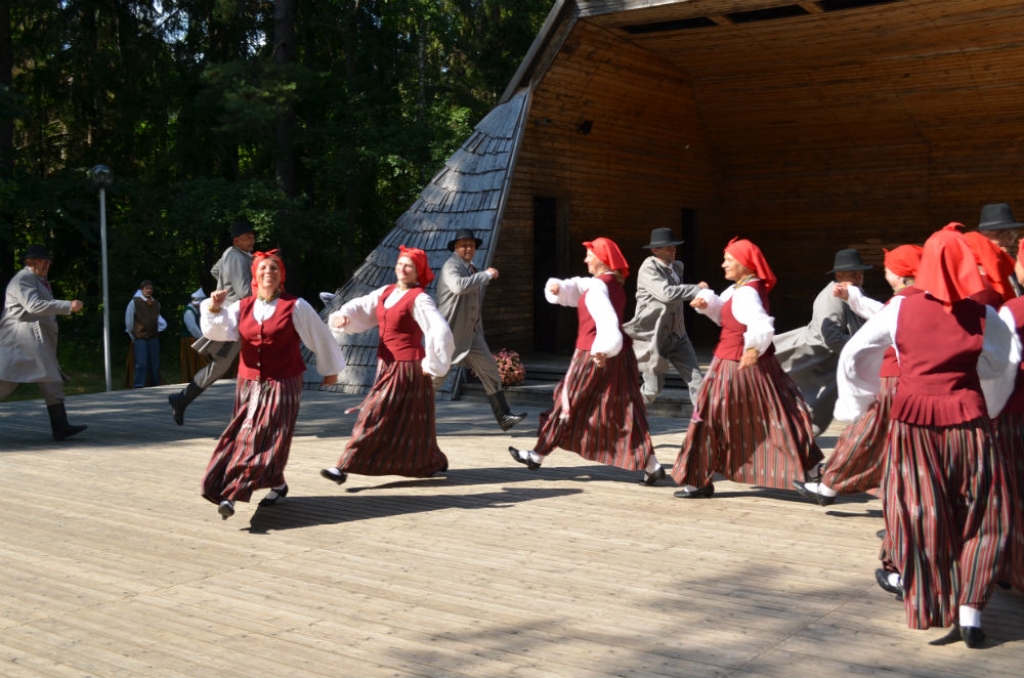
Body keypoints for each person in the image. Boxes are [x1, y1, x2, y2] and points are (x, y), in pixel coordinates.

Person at [833, 225, 1018, 648]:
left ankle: (931, 599)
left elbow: (855, 353)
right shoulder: (986, 314)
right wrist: (982, 400)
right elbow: (1003, 365)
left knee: (919, 511)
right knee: (986, 513)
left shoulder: (899, 310)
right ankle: (971, 611)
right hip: (969, 422)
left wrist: (855, 405)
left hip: (914, 424)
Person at [671, 237, 823, 498]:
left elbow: (761, 325)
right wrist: (707, 303)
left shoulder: (748, 292)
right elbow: (728, 318)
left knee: (708, 417)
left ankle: (697, 479)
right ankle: (811, 470)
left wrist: (752, 349)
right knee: (780, 415)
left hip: (734, 364)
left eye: (729, 260)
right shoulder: (744, 288)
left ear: (745, 263)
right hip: (753, 363)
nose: (723, 265)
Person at [200, 249, 346, 520]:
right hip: (249, 383)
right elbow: (218, 331)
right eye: (263, 268)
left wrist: (330, 371)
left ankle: (231, 493)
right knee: (243, 434)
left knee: (266, 438)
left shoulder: (296, 305)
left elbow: (321, 337)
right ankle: (277, 484)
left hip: (283, 381)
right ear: (255, 275)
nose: (268, 272)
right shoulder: (242, 307)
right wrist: (214, 308)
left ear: (281, 277)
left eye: (274, 269)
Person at [508, 237, 667, 485]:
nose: (585, 259)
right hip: (621, 354)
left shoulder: (599, 288)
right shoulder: (611, 283)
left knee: (567, 401)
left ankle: (537, 454)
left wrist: (601, 349)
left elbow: (606, 321)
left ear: (602, 259)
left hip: (594, 352)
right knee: (626, 408)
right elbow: (582, 289)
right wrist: (560, 288)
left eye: (589, 255)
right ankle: (652, 465)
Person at [793, 244, 923, 506]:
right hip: (873, 376)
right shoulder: (922, 298)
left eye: (887, 270)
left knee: (861, 434)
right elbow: (865, 323)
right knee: (864, 433)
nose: (861, 277)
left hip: (890, 382)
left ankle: (830, 486)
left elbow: (864, 337)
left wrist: (854, 381)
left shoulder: (901, 302)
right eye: (855, 273)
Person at [321, 246, 453, 483]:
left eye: (409, 266)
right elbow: (362, 306)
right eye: (400, 264)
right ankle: (431, 461)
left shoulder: (419, 298)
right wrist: (344, 317)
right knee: (413, 420)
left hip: (407, 368)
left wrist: (433, 363)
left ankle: (343, 466)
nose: (403, 269)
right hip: (386, 365)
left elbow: (439, 329)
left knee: (372, 413)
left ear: (417, 272)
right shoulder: (386, 292)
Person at [774, 248, 873, 435]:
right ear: (839, 274)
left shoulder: (855, 293)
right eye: (854, 274)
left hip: (831, 363)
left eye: (860, 273)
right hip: (815, 359)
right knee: (808, 406)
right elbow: (832, 337)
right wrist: (863, 349)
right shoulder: (832, 297)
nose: (859, 277)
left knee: (815, 408)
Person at [435, 227, 525, 431]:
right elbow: (459, 287)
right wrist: (486, 275)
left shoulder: (470, 267)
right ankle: (410, 414)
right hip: (450, 334)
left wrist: (479, 333)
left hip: (471, 335)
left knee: (490, 370)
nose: (468, 248)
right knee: (435, 378)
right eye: (464, 245)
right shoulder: (451, 265)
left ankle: (504, 416)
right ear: (455, 248)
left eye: (471, 245)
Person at [169, 220, 255, 425]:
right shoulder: (236, 257)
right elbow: (245, 291)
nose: (252, 240)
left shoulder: (232, 254)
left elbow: (215, 271)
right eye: (247, 237)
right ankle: (182, 398)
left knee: (224, 365)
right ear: (236, 240)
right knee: (224, 364)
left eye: (252, 236)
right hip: (238, 317)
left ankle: (182, 399)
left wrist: (225, 286)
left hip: (237, 315)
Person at [0, 244, 88, 440]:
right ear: (30, 262)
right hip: (19, 342)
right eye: (43, 261)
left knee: (52, 380)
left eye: (48, 261)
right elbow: (33, 306)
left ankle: (60, 425)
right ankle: (60, 425)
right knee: (5, 385)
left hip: (33, 342)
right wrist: (68, 305)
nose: (47, 264)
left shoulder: (37, 280)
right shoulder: (23, 279)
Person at [623, 227, 707, 405]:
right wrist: (696, 289)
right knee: (652, 389)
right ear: (655, 250)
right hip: (653, 338)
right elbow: (666, 294)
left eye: (674, 246)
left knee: (697, 382)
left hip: (678, 336)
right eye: (668, 247)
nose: (673, 250)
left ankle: (705, 425)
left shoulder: (677, 267)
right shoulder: (649, 268)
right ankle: (628, 415)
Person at [124, 279, 166, 388]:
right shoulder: (135, 302)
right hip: (140, 337)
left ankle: (155, 384)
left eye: (150, 288)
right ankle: (139, 385)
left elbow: (159, 320)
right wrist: (132, 335)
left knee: (155, 363)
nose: (149, 290)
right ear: (142, 290)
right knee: (141, 363)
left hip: (153, 337)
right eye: (146, 288)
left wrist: (157, 330)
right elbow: (129, 320)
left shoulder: (156, 303)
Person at [976, 202, 1023, 296]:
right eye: (1000, 235)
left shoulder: (1016, 264)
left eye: (1011, 235)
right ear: (983, 236)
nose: (1008, 242)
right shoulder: (975, 268)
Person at [179, 287, 210, 382]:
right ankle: (193, 377)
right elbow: (193, 328)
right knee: (193, 360)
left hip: (195, 338)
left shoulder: (196, 311)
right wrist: (202, 338)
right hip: (190, 339)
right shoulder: (189, 312)